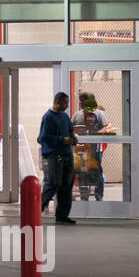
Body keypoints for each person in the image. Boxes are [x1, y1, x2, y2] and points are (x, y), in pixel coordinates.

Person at [37, 92, 77, 223]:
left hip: (67, 155)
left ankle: (62, 216)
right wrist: (62, 140)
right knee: (54, 183)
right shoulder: (48, 117)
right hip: (54, 155)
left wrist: (72, 138)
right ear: (58, 102)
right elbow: (43, 138)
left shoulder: (65, 117)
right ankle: (36, 210)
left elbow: (70, 130)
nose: (67, 105)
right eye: (65, 103)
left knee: (66, 185)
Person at [70, 93, 110, 201]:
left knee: (96, 171)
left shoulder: (99, 114)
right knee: (82, 172)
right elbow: (70, 127)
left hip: (95, 148)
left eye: (83, 101)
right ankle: (84, 196)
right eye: (80, 101)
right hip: (81, 149)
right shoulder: (77, 115)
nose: (81, 104)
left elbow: (105, 127)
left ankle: (99, 194)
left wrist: (94, 136)